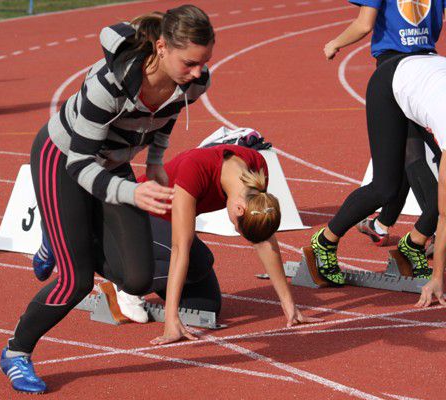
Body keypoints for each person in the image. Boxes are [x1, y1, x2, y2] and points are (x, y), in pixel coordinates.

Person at [0, 5, 214, 394]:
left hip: (112, 162)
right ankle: (17, 352)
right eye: (191, 63)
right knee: (75, 280)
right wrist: (134, 191)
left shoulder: (194, 83)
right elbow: (80, 165)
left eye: (204, 63)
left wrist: (155, 161)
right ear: (162, 47)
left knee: (136, 279)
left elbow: (162, 120)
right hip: (63, 157)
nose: (198, 72)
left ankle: (65, 238)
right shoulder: (109, 83)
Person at [142, 143, 320, 344]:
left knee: (205, 305)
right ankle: (125, 283)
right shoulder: (195, 169)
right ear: (239, 208)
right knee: (172, 260)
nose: (235, 228)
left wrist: (289, 305)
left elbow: (264, 240)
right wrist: (171, 320)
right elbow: (180, 247)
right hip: (135, 215)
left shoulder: (257, 172)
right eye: (238, 227)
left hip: (166, 223)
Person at [309, 51, 446, 308]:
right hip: (391, 85)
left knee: (437, 191)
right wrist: (438, 277)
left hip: (424, 84)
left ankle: (413, 244)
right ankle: (326, 240)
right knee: (386, 188)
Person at [322, 0, 444, 254]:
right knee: (410, 157)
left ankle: (400, 230)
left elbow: (364, 24)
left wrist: (335, 43)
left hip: (393, 74)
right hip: (426, 69)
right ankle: (399, 229)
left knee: (404, 163)